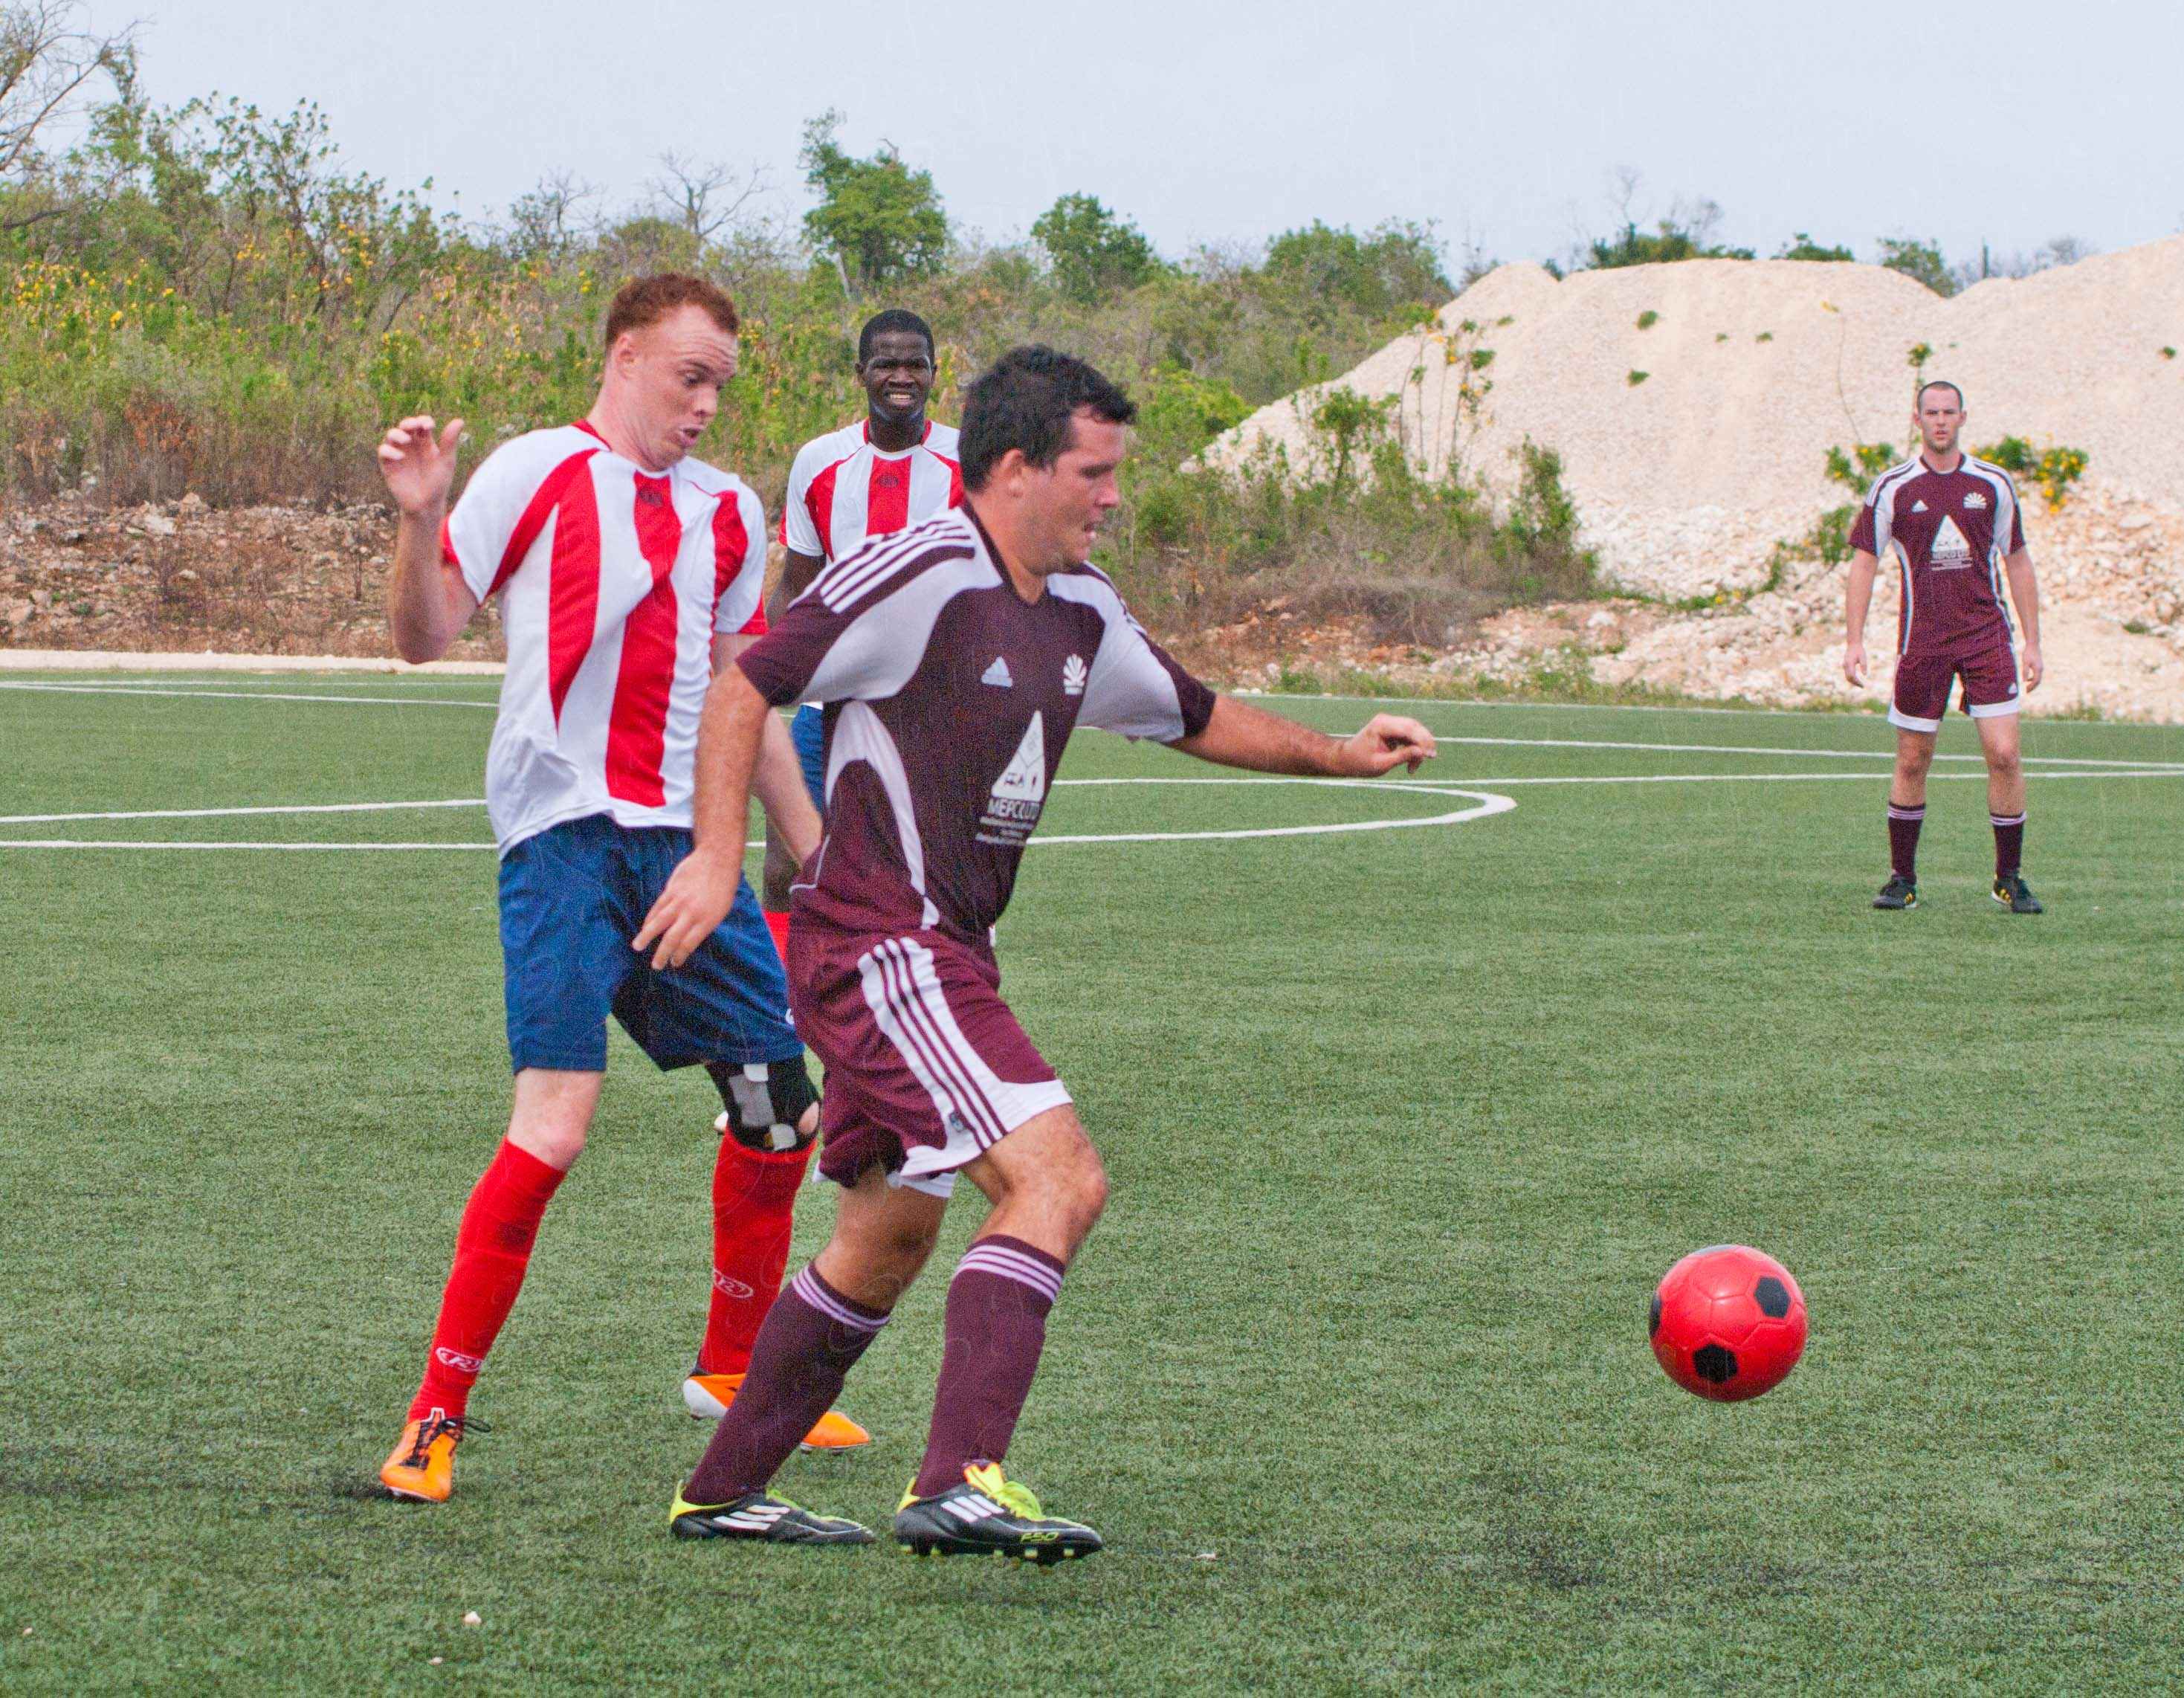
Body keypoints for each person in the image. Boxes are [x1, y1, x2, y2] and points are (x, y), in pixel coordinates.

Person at [635, 346, 1437, 1557]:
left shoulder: (1081, 608)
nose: (1111, 497)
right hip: (883, 948)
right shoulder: (917, 574)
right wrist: (713, 854)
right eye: (1093, 473)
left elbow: (1195, 713)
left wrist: (1343, 752)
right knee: (1058, 1178)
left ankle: (721, 1491)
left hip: (946, 953)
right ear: (1016, 468)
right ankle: (958, 1479)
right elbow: (747, 682)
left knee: (884, 1239)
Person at [371, 274, 861, 1505]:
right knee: (555, 1126)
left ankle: (733, 1371)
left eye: (721, 387)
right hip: (564, 846)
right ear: (626, 356)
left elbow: (745, 696)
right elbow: (423, 635)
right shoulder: (535, 470)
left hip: (685, 850)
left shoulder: (729, 510)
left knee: (778, 1106)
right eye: (690, 377)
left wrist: (817, 853)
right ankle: (434, 1416)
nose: (707, 405)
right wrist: (419, 520)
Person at [761, 309, 963, 949]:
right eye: (887, 364)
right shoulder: (819, 461)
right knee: (787, 870)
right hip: (830, 707)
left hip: (929, 712)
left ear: (934, 373)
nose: (902, 377)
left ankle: (926, 996)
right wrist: (773, 670)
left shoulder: (971, 462)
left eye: (915, 365)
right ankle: (788, 999)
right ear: (861, 373)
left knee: (925, 883)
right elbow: (796, 585)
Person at [1841, 380, 2046, 914]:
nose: (1939, 421)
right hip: (1923, 640)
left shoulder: (1993, 483)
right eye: (1930, 412)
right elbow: (1864, 562)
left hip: (1986, 637)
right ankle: (1902, 879)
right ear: (1917, 420)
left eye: (1948, 412)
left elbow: (2017, 560)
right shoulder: (1893, 487)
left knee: (2005, 754)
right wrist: (1854, 639)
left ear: (1962, 418)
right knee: (1913, 759)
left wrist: (2033, 642)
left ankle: (2009, 878)